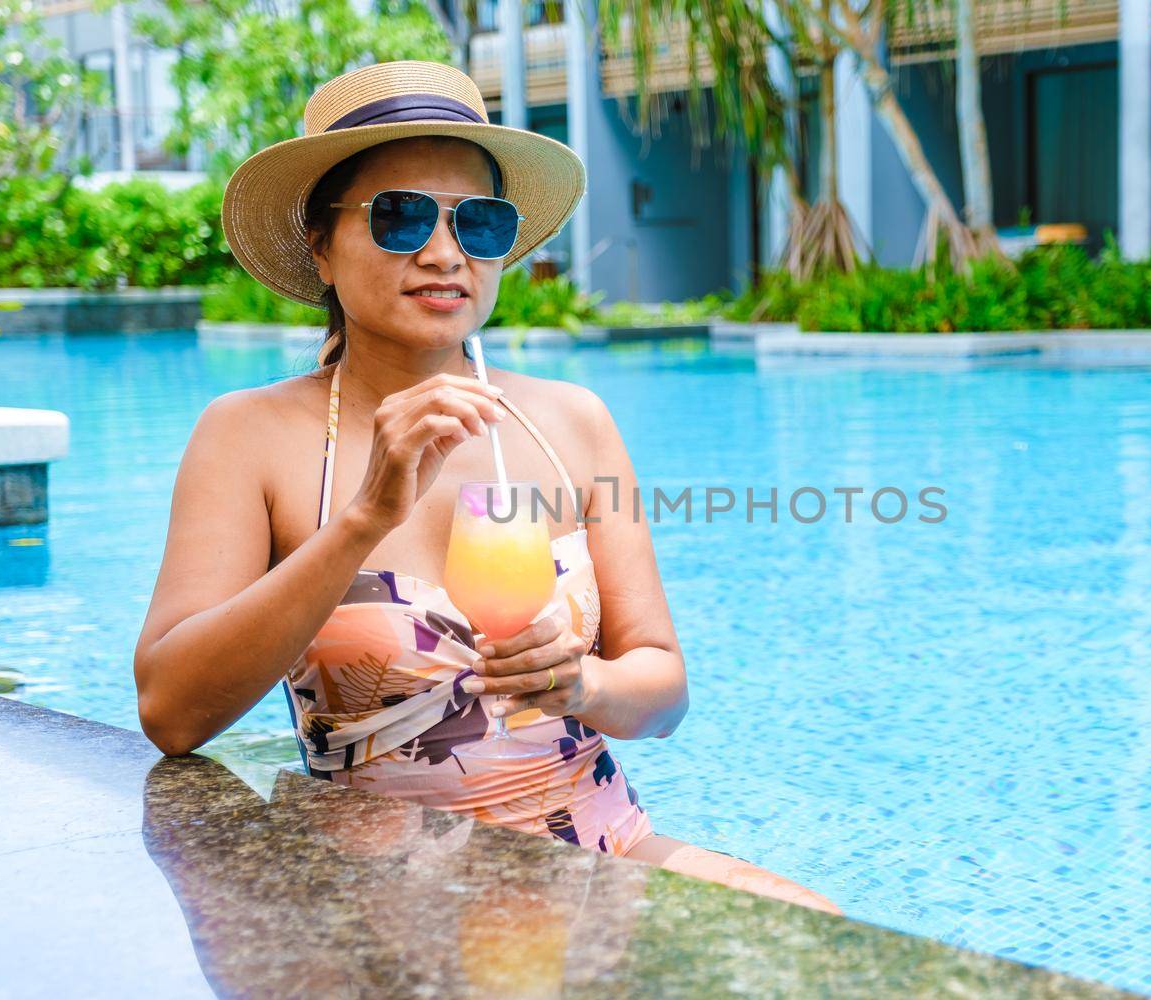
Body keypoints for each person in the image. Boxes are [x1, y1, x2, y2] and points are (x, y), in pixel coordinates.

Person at [133, 60, 837, 915]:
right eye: (399, 217)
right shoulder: (250, 437)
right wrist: (362, 520)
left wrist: (584, 685)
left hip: (595, 848)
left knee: (815, 934)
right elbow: (171, 713)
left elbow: (663, 689)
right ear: (319, 243)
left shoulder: (570, 422)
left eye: (479, 222)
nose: (443, 253)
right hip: (383, 891)